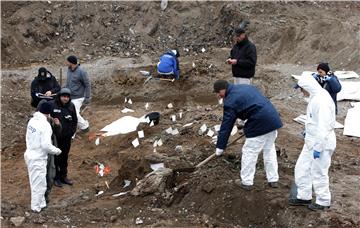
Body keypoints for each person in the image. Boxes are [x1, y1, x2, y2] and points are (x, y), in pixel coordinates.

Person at [213, 80, 283, 190]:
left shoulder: (230, 101)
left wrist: (220, 147)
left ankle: (246, 182)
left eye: (218, 92)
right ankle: (273, 179)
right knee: (269, 150)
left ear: (223, 89)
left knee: (249, 152)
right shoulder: (244, 87)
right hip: (272, 118)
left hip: (259, 122)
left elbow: (226, 126)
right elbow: (253, 103)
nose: (218, 95)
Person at [289, 75, 336, 211]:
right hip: (311, 141)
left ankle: (323, 200)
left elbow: (323, 127)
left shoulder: (322, 101)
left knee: (319, 171)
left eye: (302, 89)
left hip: (321, 142)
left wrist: (319, 147)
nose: (301, 92)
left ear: (308, 87)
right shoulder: (315, 97)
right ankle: (304, 196)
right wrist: (307, 130)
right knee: (302, 167)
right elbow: (313, 120)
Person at [24, 102, 62, 213]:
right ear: (49, 112)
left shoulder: (32, 121)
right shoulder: (44, 125)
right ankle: (35, 208)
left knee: (37, 182)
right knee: (39, 185)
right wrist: (57, 151)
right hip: (38, 158)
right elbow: (46, 145)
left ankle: (41, 203)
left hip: (30, 154)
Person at [49, 88, 78, 187]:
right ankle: (56, 178)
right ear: (60, 96)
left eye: (67, 97)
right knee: (56, 158)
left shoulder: (71, 106)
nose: (65, 99)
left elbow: (75, 121)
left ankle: (63, 176)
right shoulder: (53, 105)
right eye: (63, 96)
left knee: (64, 157)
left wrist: (71, 133)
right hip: (55, 138)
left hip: (66, 138)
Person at [36, 100, 62, 203]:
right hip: (39, 152)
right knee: (39, 175)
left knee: (50, 174)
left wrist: (57, 125)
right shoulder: (34, 120)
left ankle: (46, 195)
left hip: (50, 151)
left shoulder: (50, 120)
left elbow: (58, 133)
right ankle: (39, 198)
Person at [65, 55, 90, 133]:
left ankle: (85, 127)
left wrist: (87, 97)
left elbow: (87, 84)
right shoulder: (69, 70)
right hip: (69, 96)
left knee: (74, 113)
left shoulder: (82, 71)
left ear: (71, 63)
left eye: (67, 62)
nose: (66, 63)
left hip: (79, 97)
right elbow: (68, 83)